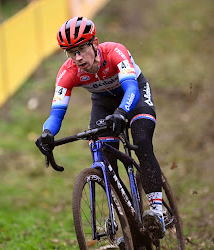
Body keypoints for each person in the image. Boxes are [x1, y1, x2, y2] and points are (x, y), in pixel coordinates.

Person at [35, 16, 165, 240]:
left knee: (142, 141)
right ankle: (128, 219)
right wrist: (47, 133)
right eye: (70, 53)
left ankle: (156, 211)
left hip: (133, 96)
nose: (77, 58)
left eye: (81, 50)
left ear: (94, 44)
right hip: (103, 103)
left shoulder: (115, 52)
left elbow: (132, 88)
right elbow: (56, 113)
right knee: (104, 160)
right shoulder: (68, 72)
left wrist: (123, 113)